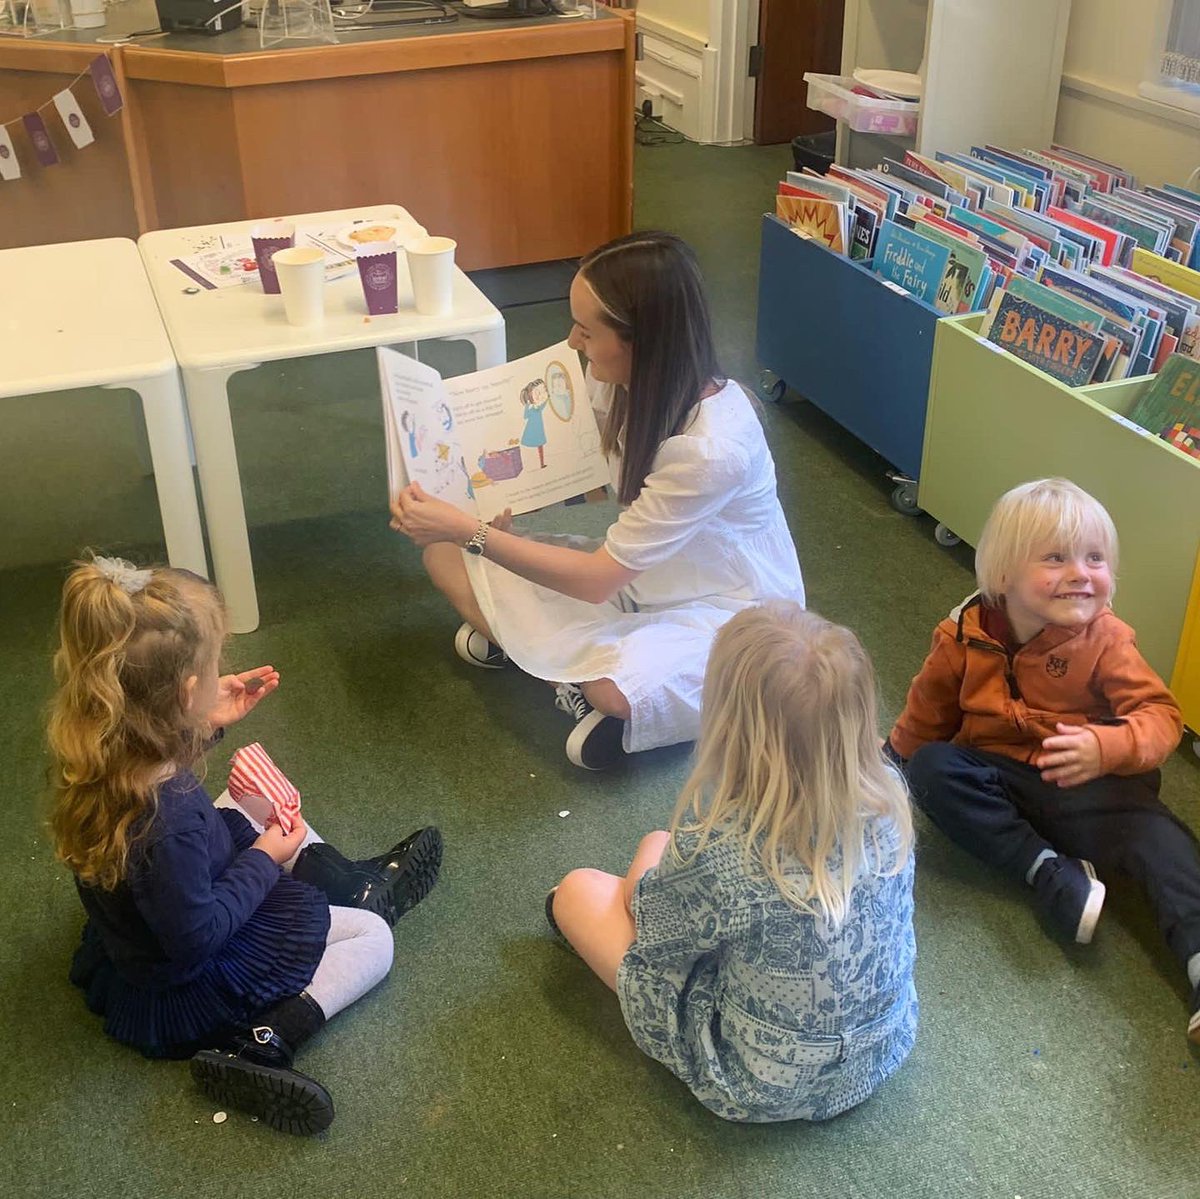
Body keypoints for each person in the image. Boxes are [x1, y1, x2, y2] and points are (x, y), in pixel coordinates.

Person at [48, 556, 444, 1134]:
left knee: (251, 807)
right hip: (191, 976)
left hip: (145, 928)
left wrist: (205, 720)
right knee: (372, 940)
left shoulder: (100, 744)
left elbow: (170, 814)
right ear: (183, 692)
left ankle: (355, 884)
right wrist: (265, 858)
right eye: (211, 670)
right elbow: (196, 937)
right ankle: (263, 1041)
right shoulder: (171, 818)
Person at [391, 232, 805, 770]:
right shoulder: (612, 377)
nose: (571, 341)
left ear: (640, 341)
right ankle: (563, 667)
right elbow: (579, 472)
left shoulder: (711, 449)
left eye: (587, 330)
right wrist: (484, 498)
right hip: (636, 579)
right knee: (444, 554)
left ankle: (573, 672)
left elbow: (594, 579)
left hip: (729, 614)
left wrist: (473, 530)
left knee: (612, 689)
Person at [547, 602, 917, 1121]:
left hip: (758, 1081)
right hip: (879, 1049)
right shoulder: (890, 798)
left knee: (581, 890)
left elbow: (651, 928)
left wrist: (645, 876)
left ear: (728, 730)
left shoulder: (721, 853)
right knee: (664, 850)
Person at [884, 478, 1200, 1044]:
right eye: (1056, 558)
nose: (1081, 572)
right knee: (932, 770)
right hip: (1003, 783)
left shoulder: (1106, 641)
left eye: (1096, 558)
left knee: (1167, 846)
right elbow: (926, 714)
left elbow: (1161, 717)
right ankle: (1050, 872)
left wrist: (1107, 748)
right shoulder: (964, 634)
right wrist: (890, 766)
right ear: (1003, 575)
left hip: (1094, 792)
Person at [519, 378, 550, 469]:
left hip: (539, 429)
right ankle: (528, 464)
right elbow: (525, 416)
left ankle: (541, 463)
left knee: (540, 446)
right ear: (530, 395)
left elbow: (543, 406)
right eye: (537, 393)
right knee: (528, 446)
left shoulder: (538, 408)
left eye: (544, 390)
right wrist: (528, 406)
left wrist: (547, 399)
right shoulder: (532, 408)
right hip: (531, 429)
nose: (541, 395)